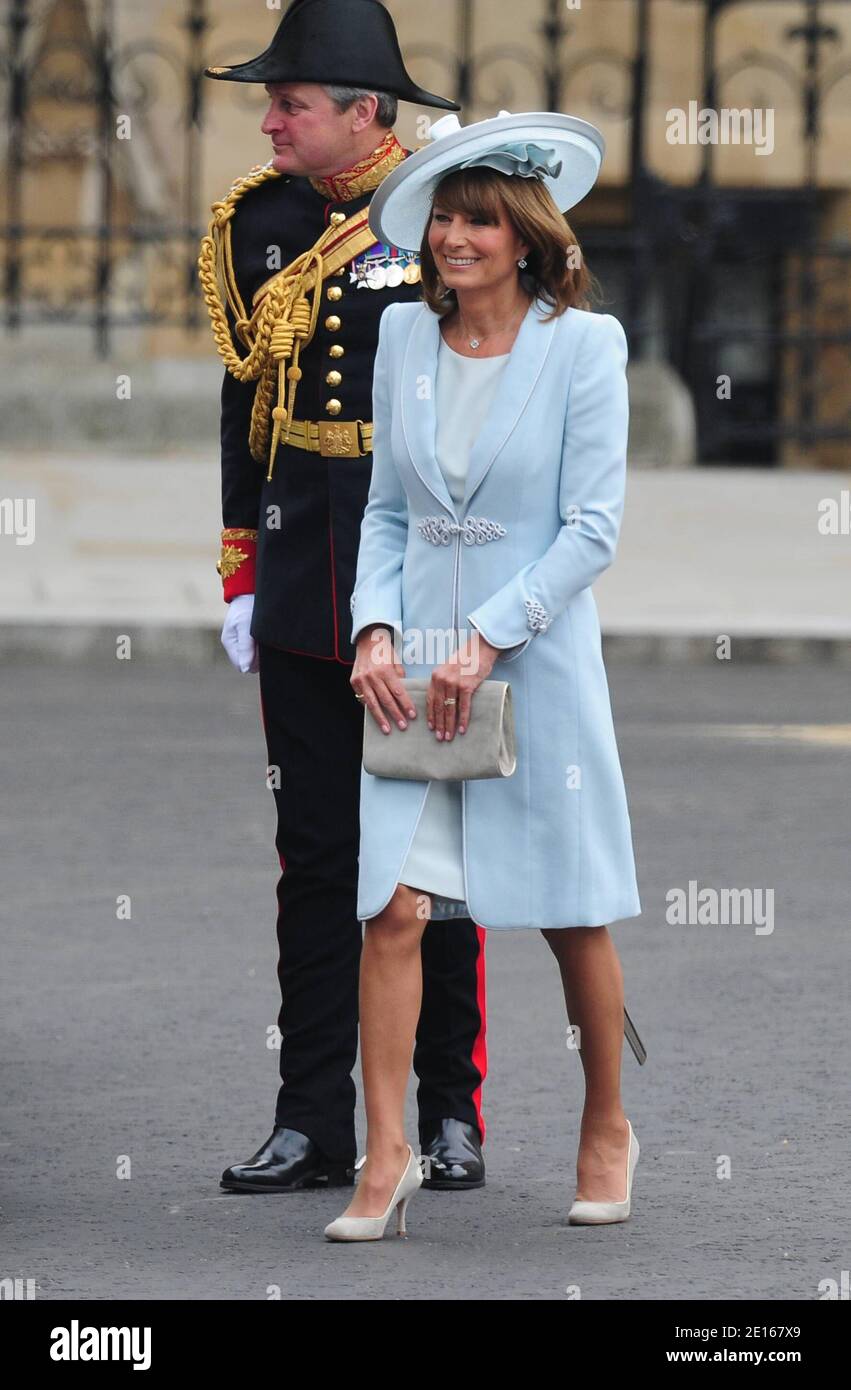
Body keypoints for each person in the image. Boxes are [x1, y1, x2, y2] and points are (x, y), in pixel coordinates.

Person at [324, 110, 643, 1241]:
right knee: (393, 913)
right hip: (415, 677)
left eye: (478, 221)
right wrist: (371, 628)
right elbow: (389, 514)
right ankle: (386, 1156)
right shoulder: (403, 341)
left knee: (568, 913)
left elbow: (591, 528)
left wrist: (494, 632)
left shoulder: (582, 348)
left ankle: (605, 1122)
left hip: (536, 667)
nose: (455, 239)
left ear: (524, 238)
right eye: (444, 219)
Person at [197, 0, 489, 1195]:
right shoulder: (256, 222)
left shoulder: (445, 217)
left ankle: (447, 1112)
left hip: (421, 573)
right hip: (301, 564)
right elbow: (241, 410)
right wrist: (238, 568)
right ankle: (311, 1118)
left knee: (438, 856)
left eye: (293, 104)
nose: (269, 121)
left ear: (365, 113)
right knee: (313, 854)